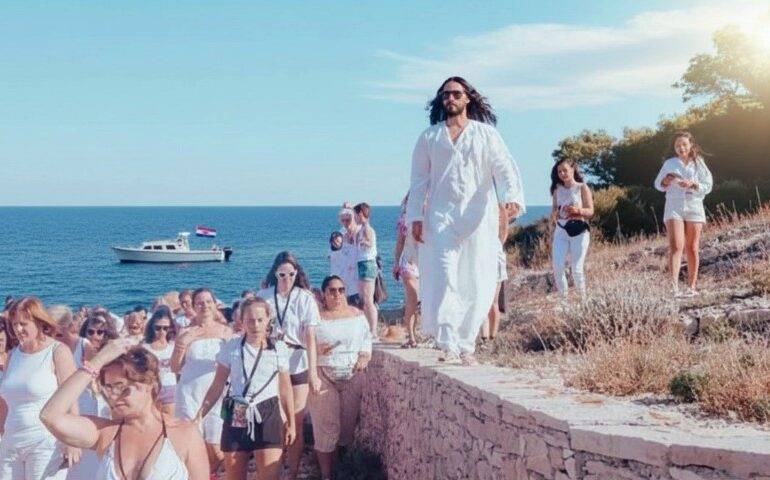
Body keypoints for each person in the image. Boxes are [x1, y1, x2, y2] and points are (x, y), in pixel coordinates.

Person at [406, 76, 525, 366]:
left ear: (467, 98)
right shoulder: (429, 137)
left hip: (479, 218)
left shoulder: (486, 135)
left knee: (475, 277)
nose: (450, 99)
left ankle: (467, 343)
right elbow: (419, 180)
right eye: (445, 95)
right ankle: (447, 340)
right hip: (441, 216)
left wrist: (512, 196)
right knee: (445, 275)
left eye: (456, 94)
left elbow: (504, 166)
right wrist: (416, 217)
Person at [39, 340, 209, 480]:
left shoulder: (185, 434)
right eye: (108, 388)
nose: (113, 396)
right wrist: (97, 361)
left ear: (149, 383)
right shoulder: (107, 433)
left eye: (121, 387)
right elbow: (50, 416)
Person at [198, 297, 296, 480]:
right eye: (250, 320)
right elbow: (218, 385)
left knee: (270, 474)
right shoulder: (232, 348)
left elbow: (285, 388)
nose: (256, 325)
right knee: (235, 473)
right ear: (241, 321)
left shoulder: (278, 349)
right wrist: (199, 415)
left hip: (267, 410)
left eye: (260, 320)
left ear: (268, 320)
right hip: (237, 409)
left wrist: (291, 422)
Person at [256, 251, 321, 480]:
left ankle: (291, 472)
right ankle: (273, 468)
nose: (286, 279)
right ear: (275, 273)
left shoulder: (304, 298)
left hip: (297, 363)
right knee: (275, 420)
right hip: (271, 364)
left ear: (297, 273)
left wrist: (313, 373)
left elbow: (311, 338)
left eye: (291, 274)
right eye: (282, 274)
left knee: (296, 420)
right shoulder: (263, 297)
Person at [0, 296, 79, 479]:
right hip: (11, 440)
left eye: (23, 324)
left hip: (45, 441)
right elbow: (5, 400)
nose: (18, 330)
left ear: (38, 322)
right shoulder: (13, 356)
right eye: (14, 325)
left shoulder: (57, 352)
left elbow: (71, 398)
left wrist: (72, 441)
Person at [309, 275, 372, 480]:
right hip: (324, 375)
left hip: (352, 375)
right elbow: (307, 346)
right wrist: (318, 353)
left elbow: (366, 339)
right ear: (324, 294)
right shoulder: (316, 318)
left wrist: (364, 355)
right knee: (326, 429)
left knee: (346, 429)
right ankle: (326, 475)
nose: (337, 294)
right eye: (332, 291)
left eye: (341, 290)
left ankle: (343, 469)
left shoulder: (357, 315)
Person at [171, 288, 235, 476]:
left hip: (218, 395)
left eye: (208, 302)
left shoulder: (226, 332)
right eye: (199, 303)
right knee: (191, 444)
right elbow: (175, 368)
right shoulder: (186, 332)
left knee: (217, 448)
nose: (204, 306)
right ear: (194, 306)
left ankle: (206, 475)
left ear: (215, 305)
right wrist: (182, 344)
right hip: (189, 394)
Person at [654, 130, 714, 297]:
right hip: (674, 205)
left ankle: (692, 287)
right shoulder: (670, 163)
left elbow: (708, 185)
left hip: (694, 205)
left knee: (692, 247)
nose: (681, 147)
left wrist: (692, 184)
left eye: (684, 144)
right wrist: (666, 181)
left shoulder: (699, 163)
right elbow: (658, 184)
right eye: (677, 145)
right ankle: (673, 288)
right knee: (676, 245)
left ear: (690, 145)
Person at [550, 158, 594, 298]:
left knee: (577, 269)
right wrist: (556, 214)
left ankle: (583, 300)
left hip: (579, 230)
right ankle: (563, 301)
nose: (562, 173)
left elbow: (590, 211)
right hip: (561, 229)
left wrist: (577, 210)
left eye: (565, 170)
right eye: (559, 171)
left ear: (573, 169)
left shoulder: (582, 187)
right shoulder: (557, 190)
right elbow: (553, 212)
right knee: (557, 267)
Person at [480, 204, 512, 345]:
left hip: (494, 257)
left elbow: (503, 234)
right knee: (482, 301)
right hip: (482, 258)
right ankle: (484, 337)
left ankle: (491, 336)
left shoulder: (499, 209)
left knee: (493, 301)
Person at [393, 192, 420, 348]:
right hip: (408, 262)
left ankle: (415, 334)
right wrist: (396, 263)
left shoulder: (429, 218)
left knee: (418, 302)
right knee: (413, 299)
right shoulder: (405, 220)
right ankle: (411, 336)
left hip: (423, 263)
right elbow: (400, 243)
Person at [143, 306, 179, 416]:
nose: (162, 331)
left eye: (165, 328)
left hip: (170, 388)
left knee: (170, 422)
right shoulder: (145, 348)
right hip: (151, 389)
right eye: (158, 328)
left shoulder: (174, 347)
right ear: (152, 328)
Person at [353, 202, 379, 337]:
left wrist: (363, 242)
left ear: (360, 214)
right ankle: (369, 327)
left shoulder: (368, 229)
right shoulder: (361, 229)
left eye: (355, 215)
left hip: (367, 264)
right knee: (364, 298)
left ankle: (373, 330)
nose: (354, 218)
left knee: (368, 299)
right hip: (362, 263)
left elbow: (369, 243)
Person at [337, 205, 361, 306]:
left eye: (348, 220)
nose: (345, 223)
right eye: (343, 221)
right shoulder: (343, 234)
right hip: (348, 275)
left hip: (359, 273)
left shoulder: (360, 231)